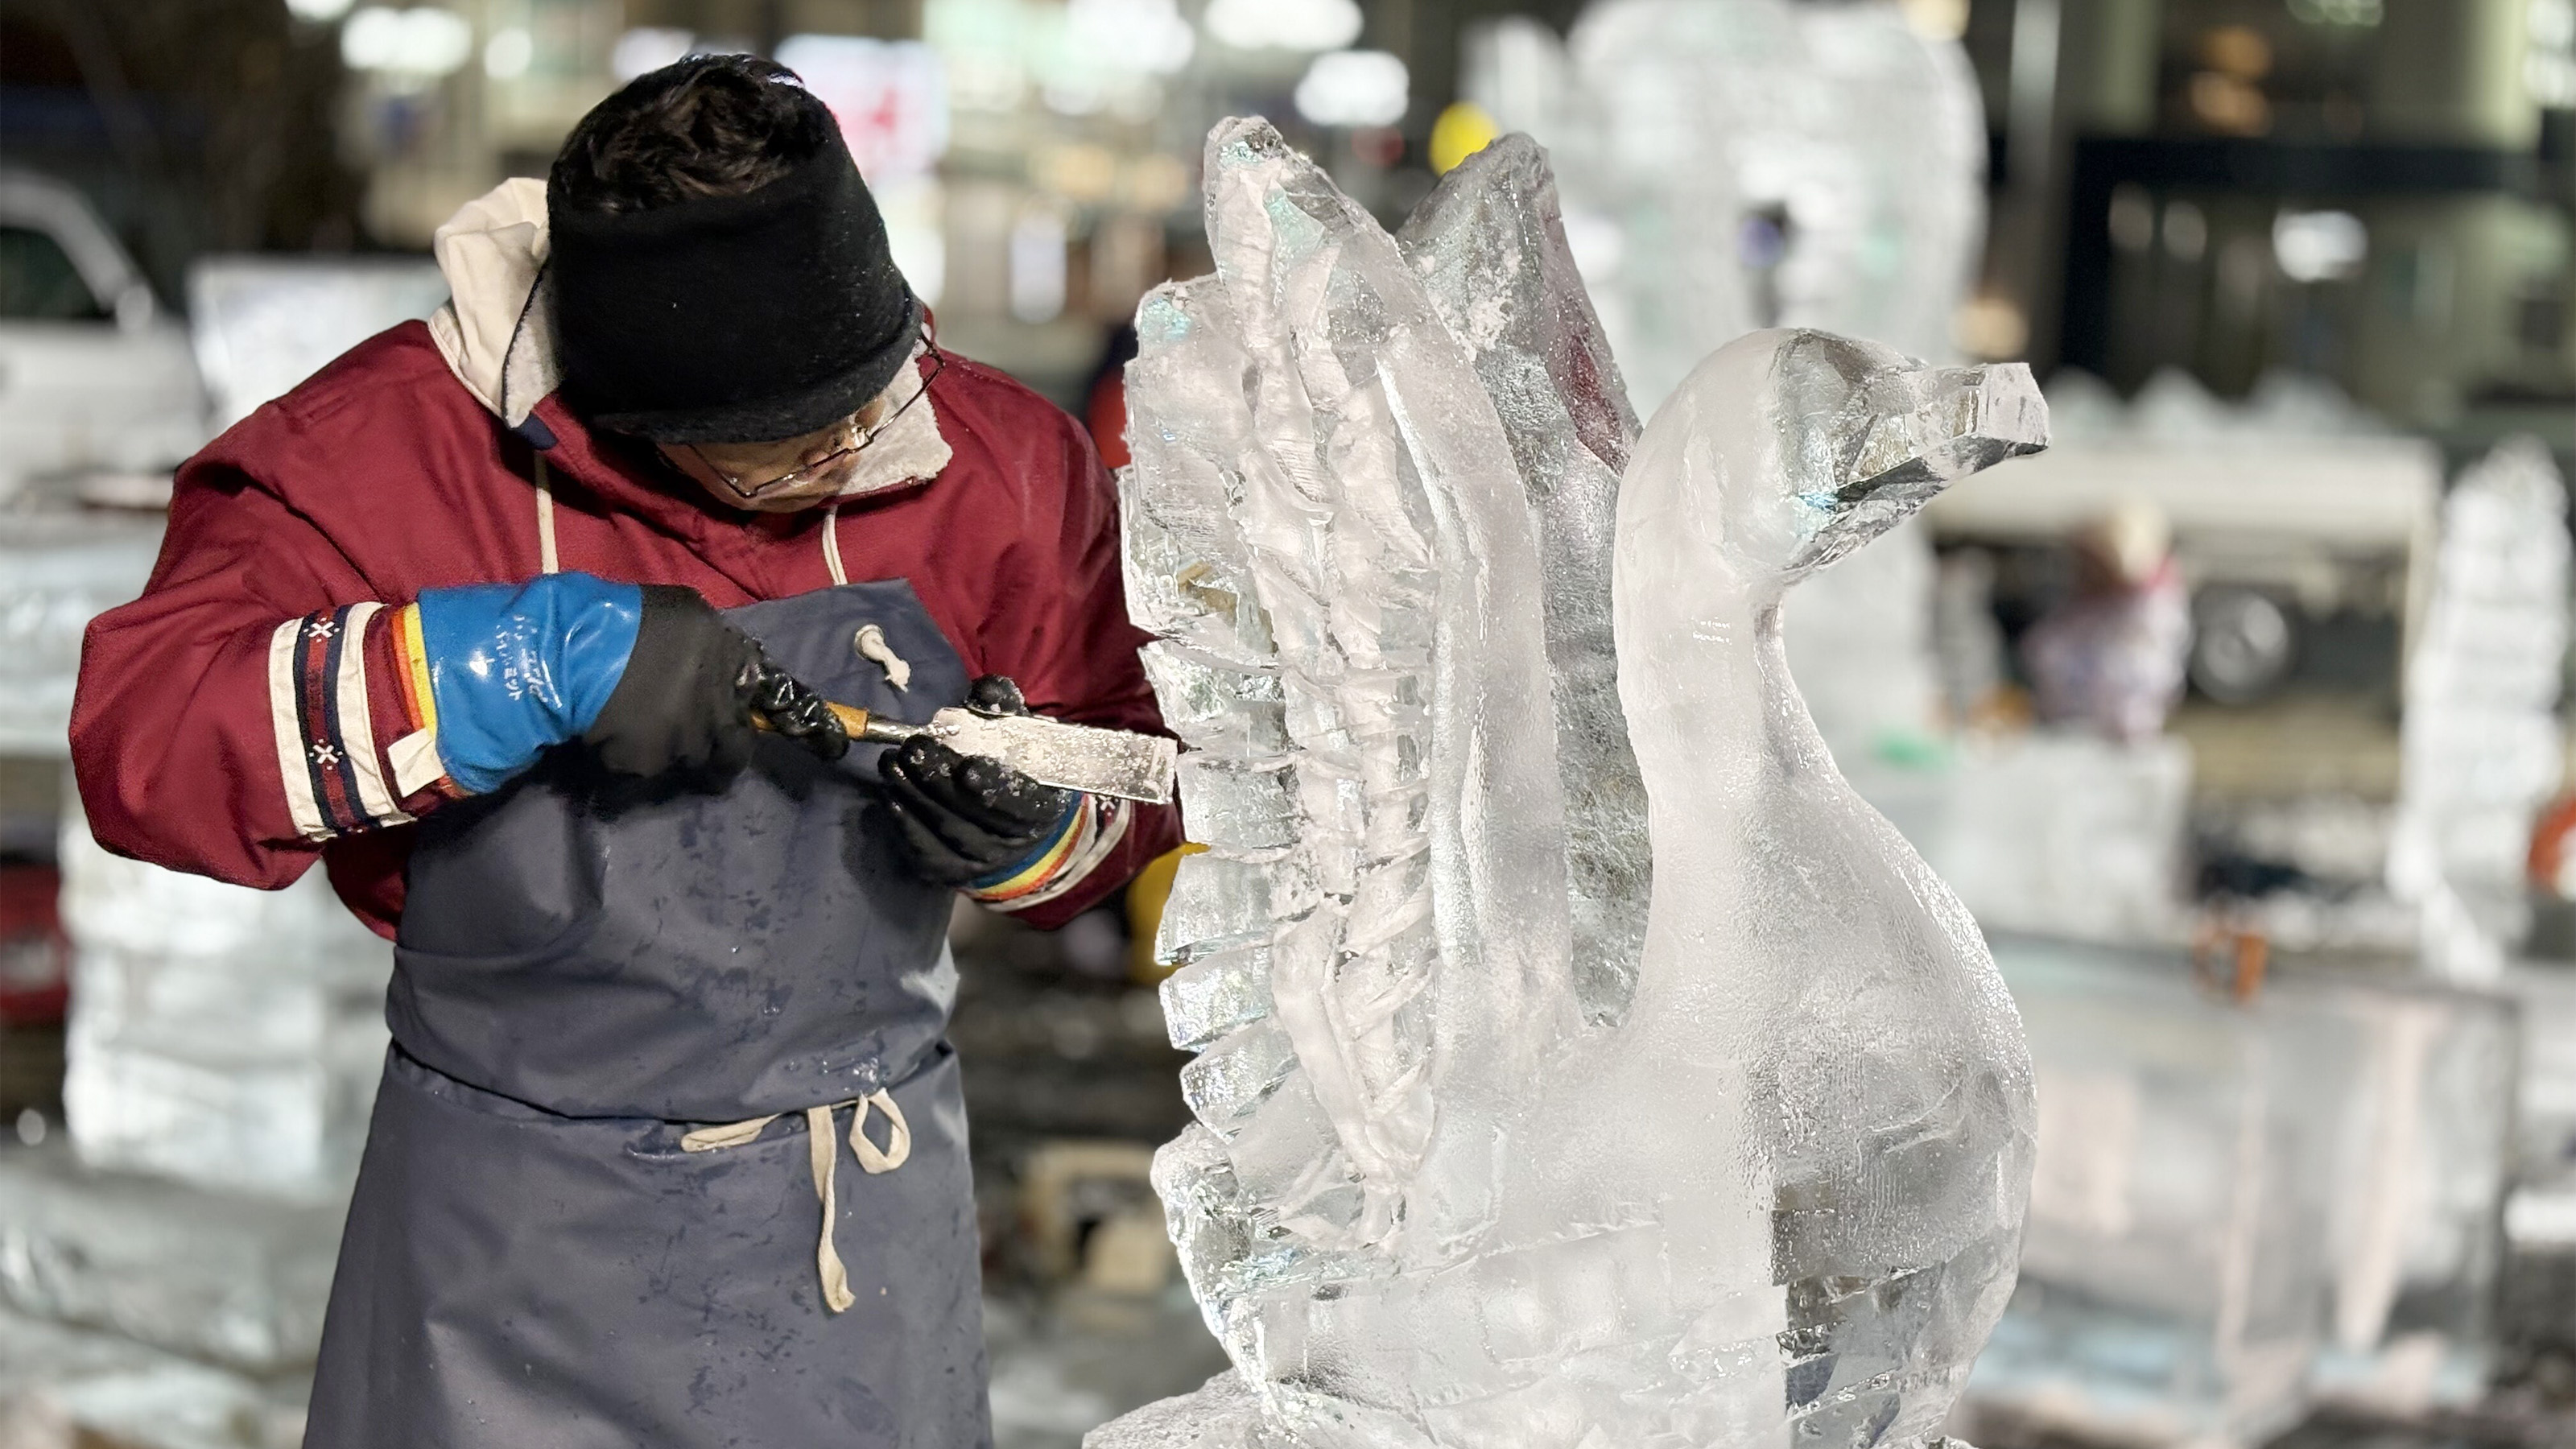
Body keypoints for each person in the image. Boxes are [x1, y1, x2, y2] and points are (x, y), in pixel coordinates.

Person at [70, 56, 1179, 1447]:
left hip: (859, 1245)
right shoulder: (386, 456)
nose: (862, 442)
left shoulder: (990, 459)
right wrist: (515, 665)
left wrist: (1038, 831)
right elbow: (147, 746)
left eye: (877, 386)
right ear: (635, 414)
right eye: (792, 442)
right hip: (503, 1262)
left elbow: (1129, 770)